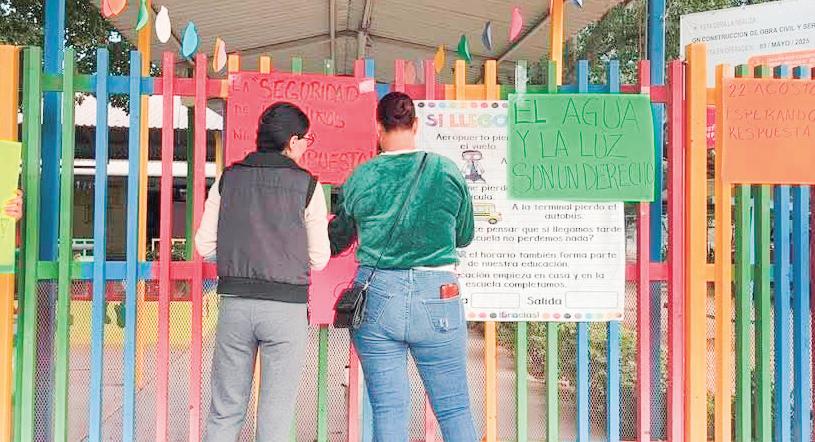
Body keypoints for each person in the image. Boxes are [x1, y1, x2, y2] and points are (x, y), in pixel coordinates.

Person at [329, 92, 477, 441]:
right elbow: (464, 235)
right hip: (439, 295)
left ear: (378, 127)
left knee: (388, 409)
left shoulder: (362, 177)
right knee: (454, 409)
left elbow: (338, 240)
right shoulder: (446, 171)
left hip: (377, 296)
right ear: (415, 125)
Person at [195, 102, 330, 441]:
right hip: (286, 309)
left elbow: (204, 246)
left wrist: (240, 254)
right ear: (293, 141)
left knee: (225, 410)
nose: (306, 146)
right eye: (306, 139)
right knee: (276, 414)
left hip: (236, 305)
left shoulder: (228, 179)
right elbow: (318, 258)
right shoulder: (308, 186)